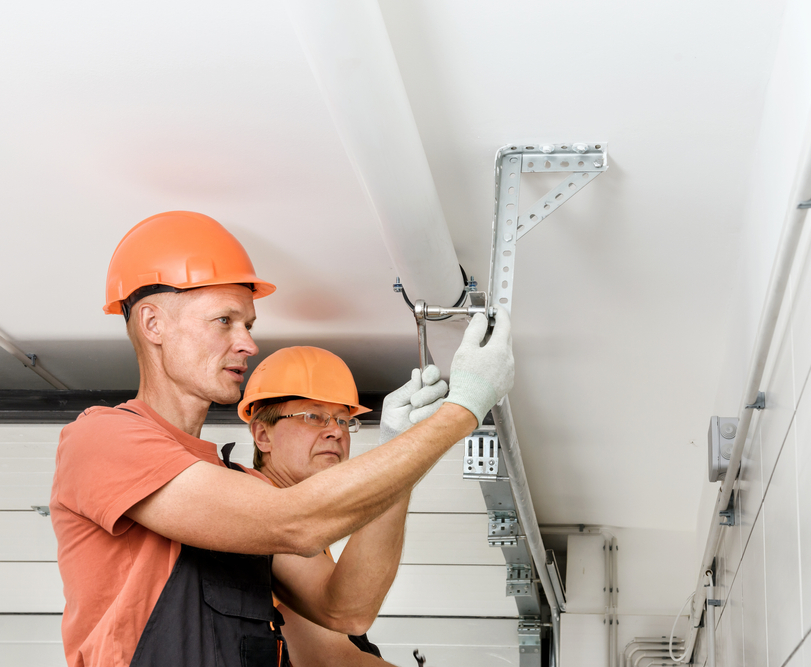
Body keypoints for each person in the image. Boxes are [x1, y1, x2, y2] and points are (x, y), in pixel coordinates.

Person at [49, 211, 513, 667]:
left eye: (248, 325)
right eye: (224, 321)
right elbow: (294, 522)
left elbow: (347, 609)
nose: (248, 344)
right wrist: (463, 410)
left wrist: (401, 453)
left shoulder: (240, 485)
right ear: (153, 324)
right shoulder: (102, 439)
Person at [237, 345, 442, 667]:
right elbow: (332, 654)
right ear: (263, 435)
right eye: (313, 416)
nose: (335, 431)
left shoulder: (307, 532)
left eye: (344, 421)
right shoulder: (252, 505)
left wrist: (397, 459)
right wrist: (401, 460)